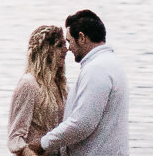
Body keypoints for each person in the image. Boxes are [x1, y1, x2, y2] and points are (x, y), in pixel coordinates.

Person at [25, 9, 128, 156]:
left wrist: (43, 143)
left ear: (81, 37)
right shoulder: (111, 63)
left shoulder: (97, 69)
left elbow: (82, 123)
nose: (68, 48)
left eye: (69, 41)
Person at [7, 24, 69, 155]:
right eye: (59, 46)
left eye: (65, 44)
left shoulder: (62, 85)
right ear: (46, 51)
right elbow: (15, 137)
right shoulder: (29, 84)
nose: (66, 49)